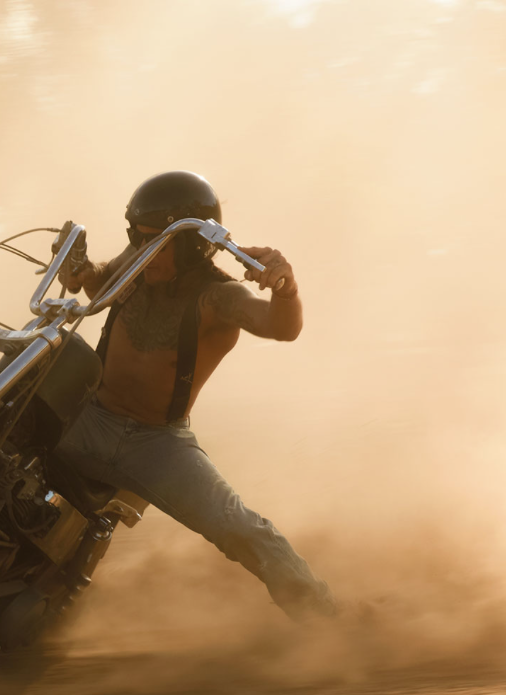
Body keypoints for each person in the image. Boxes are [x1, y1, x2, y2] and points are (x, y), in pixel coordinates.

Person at [53, 170, 338, 621]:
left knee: (241, 526)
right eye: (139, 237)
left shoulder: (219, 297)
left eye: (158, 241)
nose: (145, 250)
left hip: (156, 443)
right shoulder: (137, 261)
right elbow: (97, 286)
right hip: (90, 416)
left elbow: (283, 328)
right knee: (0, 433)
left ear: (192, 246)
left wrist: (287, 287)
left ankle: (326, 617)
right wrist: (77, 270)